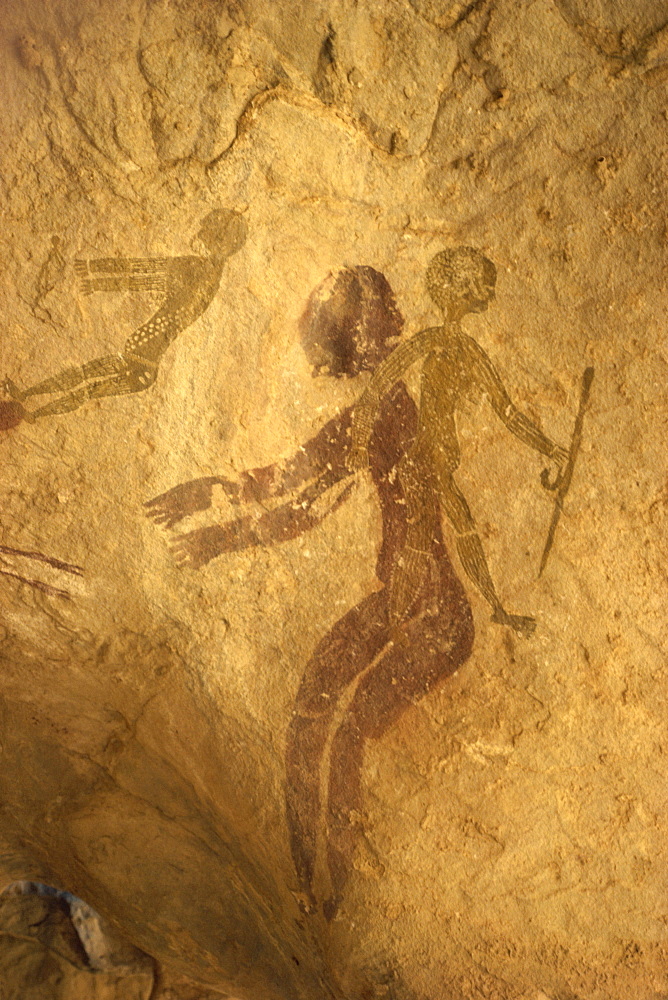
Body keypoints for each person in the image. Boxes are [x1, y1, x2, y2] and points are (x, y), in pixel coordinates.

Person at [145, 265, 474, 919]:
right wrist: (217, 516)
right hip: (410, 603)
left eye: (341, 304)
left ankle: (335, 901)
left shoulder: (386, 410)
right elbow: (303, 504)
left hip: (433, 613)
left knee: (346, 731)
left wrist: (215, 519)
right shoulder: (380, 409)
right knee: (308, 713)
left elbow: (283, 491)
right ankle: (310, 892)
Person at [349, 247, 569, 637]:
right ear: (462, 289)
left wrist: (549, 448)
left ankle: (490, 608)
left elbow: (509, 412)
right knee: (422, 536)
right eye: (483, 286)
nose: (490, 294)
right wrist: (358, 442)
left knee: (457, 528)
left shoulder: (470, 352)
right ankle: (395, 618)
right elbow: (377, 385)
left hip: (441, 460)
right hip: (422, 460)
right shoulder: (433, 342)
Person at [1, 210, 246, 423]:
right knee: (85, 379)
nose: (201, 230)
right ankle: (29, 402)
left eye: (207, 227)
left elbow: (141, 272)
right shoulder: (209, 275)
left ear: (220, 237)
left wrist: (93, 271)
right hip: (141, 361)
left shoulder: (197, 270)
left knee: (86, 383)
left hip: (140, 363)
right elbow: (144, 276)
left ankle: (33, 410)